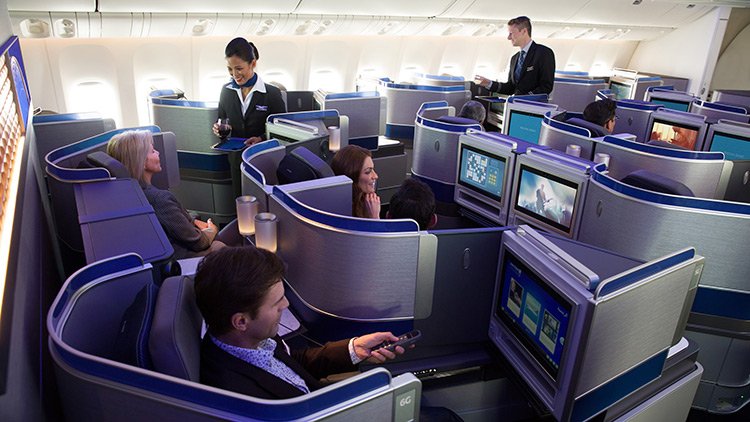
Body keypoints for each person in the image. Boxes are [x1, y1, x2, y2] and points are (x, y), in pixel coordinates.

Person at [194, 246, 405, 399]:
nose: (285, 304)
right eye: (277, 303)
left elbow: (293, 363)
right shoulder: (234, 392)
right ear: (241, 321)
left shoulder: (255, 337)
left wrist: (354, 349)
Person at [107, 130, 227, 259]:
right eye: (153, 151)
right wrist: (211, 230)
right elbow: (198, 242)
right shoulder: (159, 199)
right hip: (178, 260)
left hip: (151, 256)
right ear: (141, 162)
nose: (158, 153)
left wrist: (193, 221)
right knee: (221, 246)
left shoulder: (129, 193)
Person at [212, 37, 287, 197]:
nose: (234, 74)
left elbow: (282, 132)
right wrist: (220, 130)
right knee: (241, 205)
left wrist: (261, 139)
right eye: (230, 69)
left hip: (263, 160)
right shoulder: (226, 91)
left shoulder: (271, 94)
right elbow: (222, 119)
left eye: (239, 68)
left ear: (252, 63)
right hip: (237, 161)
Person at [474, 16, 555, 95]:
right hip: (515, 105)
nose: (508, 37)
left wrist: (524, 99)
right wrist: (489, 83)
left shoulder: (544, 53)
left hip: (534, 106)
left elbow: (546, 87)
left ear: (524, 31)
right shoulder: (514, 58)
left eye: (511, 33)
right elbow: (511, 88)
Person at [331, 145, 380, 219]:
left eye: (372, 169)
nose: (375, 176)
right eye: (368, 172)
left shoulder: (368, 203)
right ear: (352, 177)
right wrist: (374, 217)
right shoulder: (341, 213)